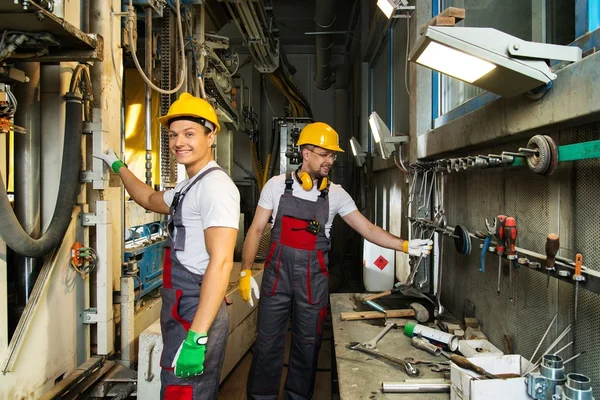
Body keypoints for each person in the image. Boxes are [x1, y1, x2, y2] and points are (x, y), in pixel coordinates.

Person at [238, 122, 432, 400]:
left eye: (333, 155)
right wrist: (245, 272)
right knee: (267, 345)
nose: (330, 160)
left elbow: (369, 229)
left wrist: (403, 245)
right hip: (276, 281)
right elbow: (256, 229)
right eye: (324, 154)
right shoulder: (276, 186)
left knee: (307, 346)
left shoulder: (336, 194)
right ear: (305, 153)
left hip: (312, 284)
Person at [94, 92, 240, 400]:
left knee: (184, 393)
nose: (179, 143)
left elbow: (222, 262)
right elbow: (147, 198)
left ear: (211, 136)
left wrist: (197, 336)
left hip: (196, 309)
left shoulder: (216, 188)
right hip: (183, 305)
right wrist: (118, 165)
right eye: (173, 135)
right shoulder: (191, 185)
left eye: (189, 134)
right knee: (178, 388)